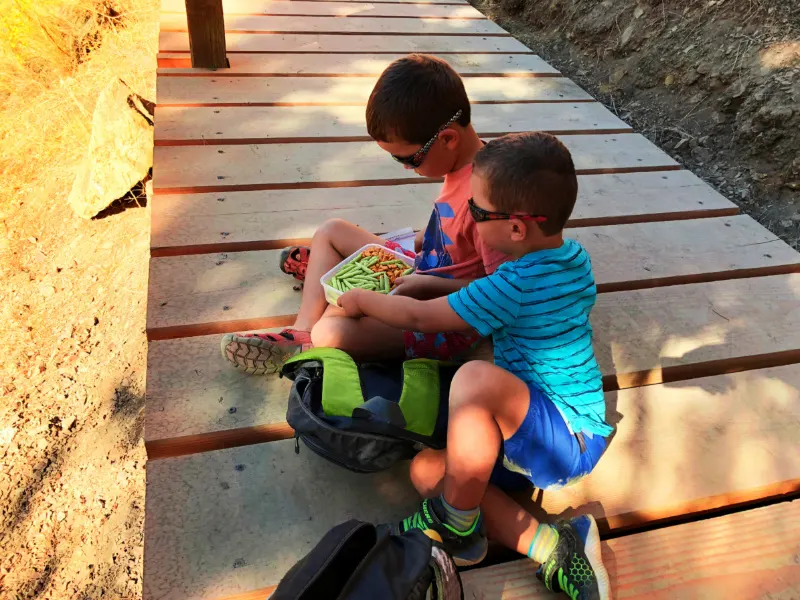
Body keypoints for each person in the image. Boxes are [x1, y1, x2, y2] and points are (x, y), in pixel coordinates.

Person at [337, 132, 613, 600]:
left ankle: (457, 520)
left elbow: (422, 320)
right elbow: (467, 298)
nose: (470, 215)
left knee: (473, 378)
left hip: (567, 435)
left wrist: (361, 299)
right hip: (524, 424)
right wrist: (423, 283)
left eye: (477, 212)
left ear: (516, 229)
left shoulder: (516, 282)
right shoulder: (571, 258)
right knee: (428, 471)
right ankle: (554, 546)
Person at [220, 54, 507, 374]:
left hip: (441, 319)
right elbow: (450, 230)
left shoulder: (489, 204)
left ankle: (309, 335)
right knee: (332, 231)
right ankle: (303, 324)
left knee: (330, 329)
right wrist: (417, 240)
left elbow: (500, 291)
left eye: (408, 159)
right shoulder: (462, 165)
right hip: (420, 271)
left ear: (448, 139)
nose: (406, 168)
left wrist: (420, 286)